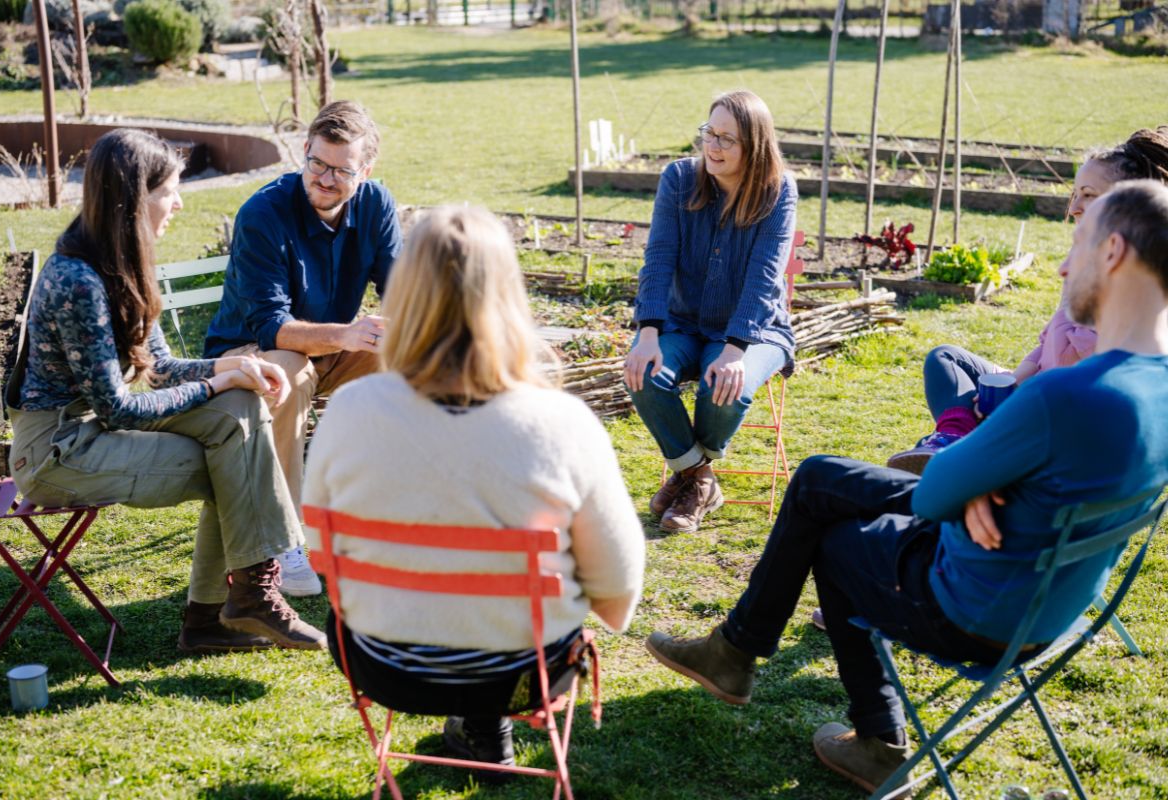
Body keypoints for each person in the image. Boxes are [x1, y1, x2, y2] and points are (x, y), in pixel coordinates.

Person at [643, 180, 1168, 796]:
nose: (1061, 263)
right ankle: (749, 662)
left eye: (1076, 243)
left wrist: (973, 480)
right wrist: (988, 480)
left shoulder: (1067, 393)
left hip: (976, 608)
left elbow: (933, 491)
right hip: (1054, 607)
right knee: (818, 480)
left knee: (832, 532)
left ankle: (850, 722)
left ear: (1112, 252)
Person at [303, 206, 645, 773]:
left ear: (404, 298)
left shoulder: (348, 410)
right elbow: (617, 589)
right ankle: (486, 721)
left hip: (386, 667)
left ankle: (475, 723)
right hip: (522, 673)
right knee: (507, 615)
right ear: (507, 299)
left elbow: (321, 549)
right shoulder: (561, 423)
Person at [7, 129, 325, 654]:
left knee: (240, 412)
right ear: (135, 199)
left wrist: (233, 367)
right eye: (170, 190)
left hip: (97, 425)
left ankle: (240, 600)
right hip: (56, 450)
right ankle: (228, 608)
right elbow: (118, 405)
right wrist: (218, 380)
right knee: (237, 465)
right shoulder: (77, 280)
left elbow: (160, 367)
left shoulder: (127, 256)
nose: (179, 201)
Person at [204, 100, 403, 597]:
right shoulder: (263, 213)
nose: (325, 178)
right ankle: (286, 539)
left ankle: (376, 509)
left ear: (366, 170)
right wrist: (347, 334)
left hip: (330, 345)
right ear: (305, 152)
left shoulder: (376, 204)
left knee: (409, 357)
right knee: (287, 373)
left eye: (341, 170)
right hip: (248, 351)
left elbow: (403, 292)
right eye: (316, 163)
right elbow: (271, 327)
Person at [887, 126, 1168, 475]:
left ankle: (961, 450)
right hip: (1035, 392)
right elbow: (1048, 339)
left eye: (1089, 195)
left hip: (1055, 417)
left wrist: (1023, 396)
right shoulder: (1086, 258)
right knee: (945, 359)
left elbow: (1095, 377)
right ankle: (953, 438)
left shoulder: (1135, 286)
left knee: (829, 478)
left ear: (1124, 203)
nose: (1075, 206)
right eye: (1075, 193)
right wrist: (1015, 380)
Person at [624, 89, 798, 533]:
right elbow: (658, 258)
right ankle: (699, 479)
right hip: (683, 323)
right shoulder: (679, 178)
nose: (713, 147)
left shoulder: (778, 192)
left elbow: (765, 277)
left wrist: (736, 348)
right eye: (709, 133)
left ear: (754, 146)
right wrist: (647, 334)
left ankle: (687, 477)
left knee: (726, 384)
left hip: (755, 332)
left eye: (727, 139)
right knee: (644, 372)